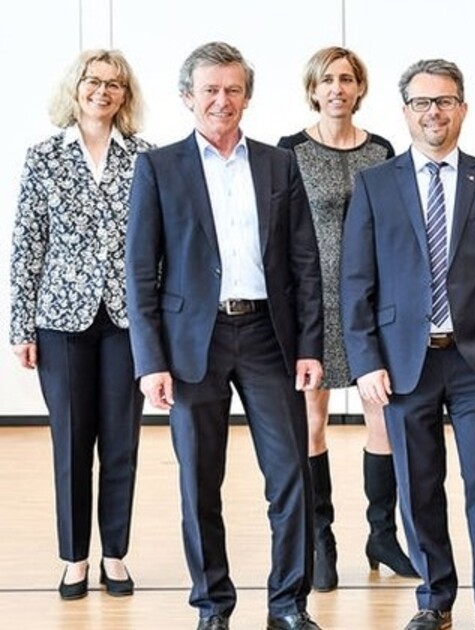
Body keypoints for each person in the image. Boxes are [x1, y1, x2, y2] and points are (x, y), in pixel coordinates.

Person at [126, 41, 325, 630]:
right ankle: (213, 605)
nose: (222, 100)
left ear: (247, 97)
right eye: (210, 89)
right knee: (199, 483)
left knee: (291, 477)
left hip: (268, 336)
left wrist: (310, 345)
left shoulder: (278, 164)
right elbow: (140, 271)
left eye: (233, 89)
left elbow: (305, 262)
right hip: (193, 343)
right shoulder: (159, 168)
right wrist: (150, 360)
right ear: (187, 97)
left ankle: (288, 605)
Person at [341, 58, 475, 630]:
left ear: (463, 109)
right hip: (405, 363)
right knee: (419, 485)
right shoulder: (375, 184)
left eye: (445, 101)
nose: (434, 112)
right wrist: (366, 360)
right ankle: (434, 599)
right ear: (405, 112)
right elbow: (356, 281)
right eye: (422, 103)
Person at [9, 49, 151, 601]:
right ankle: (75, 557)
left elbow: (156, 245)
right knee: (70, 441)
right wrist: (21, 326)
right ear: (76, 87)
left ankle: (115, 553)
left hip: (125, 320)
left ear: (125, 95)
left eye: (115, 84)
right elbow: (28, 245)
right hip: (59, 320)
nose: (102, 91)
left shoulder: (144, 157)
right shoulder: (44, 156)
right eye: (93, 81)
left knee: (120, 442)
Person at [277, 45, 416, 592]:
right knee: (311, 420)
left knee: (382, 417)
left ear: (360, 88)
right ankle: (320, 538)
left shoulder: (381, 151)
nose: (337, 88)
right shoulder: (289, 152)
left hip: (370, 301)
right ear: (312, 89)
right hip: (311, 303)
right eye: (326, 80)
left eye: (346, 79)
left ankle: (382, 534)